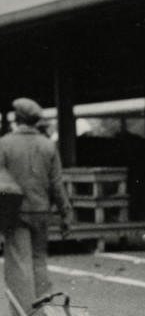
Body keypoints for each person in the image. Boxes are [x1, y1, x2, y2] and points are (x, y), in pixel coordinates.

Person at [0, 98, 73, 316]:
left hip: (15, 214)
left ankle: (24, 314)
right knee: (39, 262)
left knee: (19, 265)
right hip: (42, 212)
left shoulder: (4, 144)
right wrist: (66, 213)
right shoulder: (48, 145)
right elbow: (57, 184)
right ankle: (43, 313)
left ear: (17, 118)